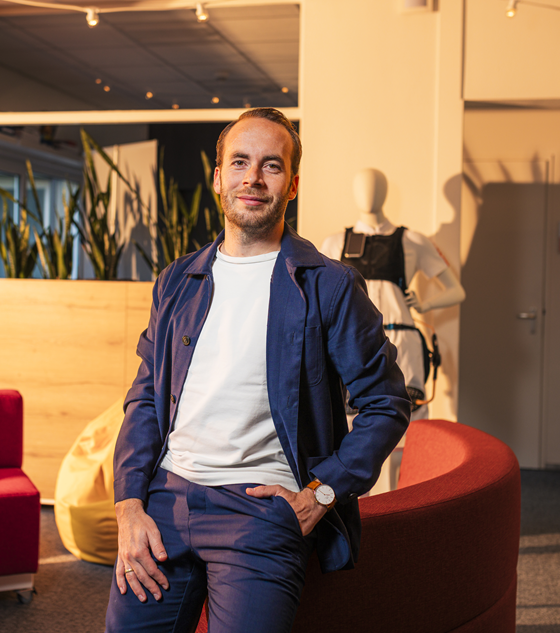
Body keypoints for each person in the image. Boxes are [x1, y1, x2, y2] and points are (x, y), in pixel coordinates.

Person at [106, 108, 411, 633]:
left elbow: (386, 404)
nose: (252, 178)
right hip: (164, 502)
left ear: (292, 185)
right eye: (240, 162)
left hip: (259, 514)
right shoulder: (178, 280)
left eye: (271, 165)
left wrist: (322, 493)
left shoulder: (329, 285)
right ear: (218, 177)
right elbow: (144, 399)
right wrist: (129, 505)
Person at [321, 168, 465, 418]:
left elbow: (456, 291)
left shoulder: (413, 241)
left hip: (403, 342)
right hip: (354, 342)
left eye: (374, 187)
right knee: (352, 418)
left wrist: (425, 304)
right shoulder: (334, 243)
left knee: (407, 417)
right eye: (363, 187)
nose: (368, 195)